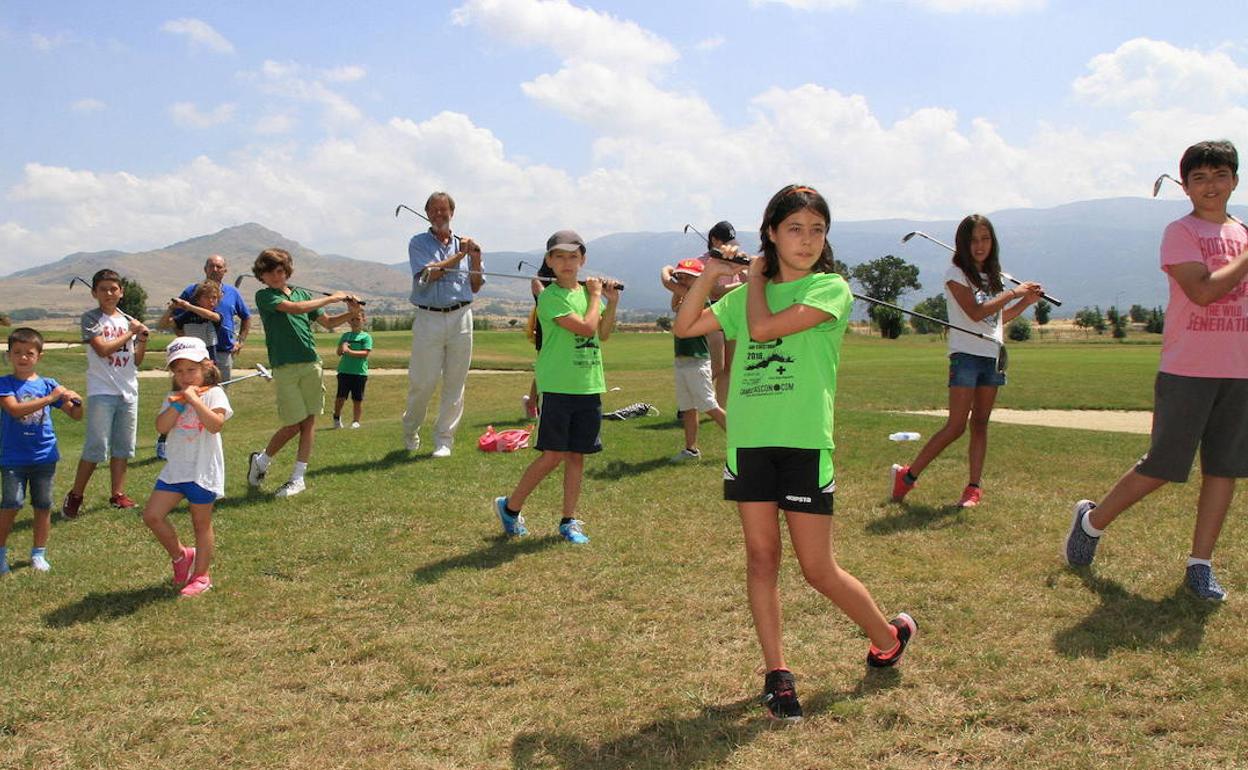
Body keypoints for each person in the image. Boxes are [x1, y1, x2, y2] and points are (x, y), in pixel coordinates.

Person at [673, 185, 916, 724]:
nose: (806, 240)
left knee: (816, 568)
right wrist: (711, 277)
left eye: (817, 229)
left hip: (804, 444)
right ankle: (777, 675)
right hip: (750, 443)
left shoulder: (830, 289)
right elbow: (686, 326)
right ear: (772, 235)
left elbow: (762, 328)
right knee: (762, 559)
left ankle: (888, 636)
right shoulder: (744, 295)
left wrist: (753, 278)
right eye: (794, 229)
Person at [1065, 139, 1248, 602]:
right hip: (1187, 369)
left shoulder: (1241, 232)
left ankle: (1200, 566)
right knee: (1163, 467)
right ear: (1185, 186)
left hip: (1239, 370)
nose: (1211, 185)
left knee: (1224, 468)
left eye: (1220, 175)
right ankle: (1092, 521)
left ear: (1235, 181)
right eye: (1200, 177)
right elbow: (1203, 292)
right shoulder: (1180, 232)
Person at [889, 215, 1043, 508]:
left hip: (992, 355)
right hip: (966, 357)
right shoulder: (955, 275)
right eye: (973, 240)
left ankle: (973, 488)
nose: (980, 245)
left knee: (981, 424)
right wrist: (1014, 293)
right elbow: (975, 312)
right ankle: (908, 476)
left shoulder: (992, 278)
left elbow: (995, 321)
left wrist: (1025, 302)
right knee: (956, 426)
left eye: (985, 239)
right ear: (963, 243)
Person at [493, 230, 619, 545]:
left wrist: (611, 302)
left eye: (573, 256)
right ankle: (510, 508)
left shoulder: (585, 294)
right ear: (549, 261)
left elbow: (601, 333)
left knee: (577, 456)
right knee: (553, 455)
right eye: (559, 256)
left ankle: (569, 521)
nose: (567, 262)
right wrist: (594, 296)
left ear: (583, 260)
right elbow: (586, 326)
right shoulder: (550, 298)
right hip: (559, 387)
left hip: (589, 385)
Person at [245, 248, 360, 498]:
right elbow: (295, 309)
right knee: (293, 424)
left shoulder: (303, 294)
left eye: (279, 271)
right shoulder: (264, 296)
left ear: (287, 271)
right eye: (268, 272)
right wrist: (331, 298)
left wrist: (352, 312)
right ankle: (262, 461)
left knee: (308, 422)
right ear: (261, 276)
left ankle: (298, 478)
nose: (275, 276)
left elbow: (328, 323)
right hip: (285, 367)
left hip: (311, 364)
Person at [140, 337, 232, 597]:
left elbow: (215, 424)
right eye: (179, 371)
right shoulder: (173, 398)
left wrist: (195, 401)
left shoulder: (214, 393)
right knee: (152, 516)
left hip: (202, 470)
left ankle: (201, 576)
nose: (185, 376)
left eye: (191, 370)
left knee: (200, 523)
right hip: (176, 469)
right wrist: (180, 403)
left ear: (206, 367)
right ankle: (181, 556)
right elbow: (161, 427)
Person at [62, 269, 149, 517]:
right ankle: (76, 495)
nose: (109, 293)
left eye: (114, 289)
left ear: (121, 292)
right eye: (103, 289)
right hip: (102, 390)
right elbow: (102, 350)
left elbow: (136, 361)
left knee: (123, 447)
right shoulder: (91, 318)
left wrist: (142, 340)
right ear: (94, 293)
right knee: (96, 446)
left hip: (129, 390)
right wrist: (131, 333)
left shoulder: (128, 320)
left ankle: (118, 494)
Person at [402, 191, 483, 457]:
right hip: (429, 317)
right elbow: (430, 274)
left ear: (452, 213)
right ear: (427, 214)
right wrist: (460, 257)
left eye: (444, 210)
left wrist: (475, 257)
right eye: (434, 210)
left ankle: (444, 440)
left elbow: (475, 285)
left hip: (461, 316)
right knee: (423, 382)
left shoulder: (464, 243)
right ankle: (411, 427)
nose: (439, 215)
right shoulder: (418, 243)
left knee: (455, 382)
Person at [0, 328, 83, 574]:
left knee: (43, 505)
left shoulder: (48, 384)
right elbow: (15, 410)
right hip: (13, 456)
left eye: (29, 353)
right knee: (11, 503)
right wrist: (50, 398)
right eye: (17, 352)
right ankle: (1, 553)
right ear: (9, 356)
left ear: (39, 356)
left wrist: (77, 401)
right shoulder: (5, 384)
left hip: (44, 455)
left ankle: (38, 553)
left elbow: (75, 415)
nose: (23, 357)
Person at [661, 220, 743, 407]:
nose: (730, 245)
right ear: (714, 240)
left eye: (731, 242)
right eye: (726, 241)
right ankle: (691, 404)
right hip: (711, 311)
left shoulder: (733, 260)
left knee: (729, 368)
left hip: (731, 313)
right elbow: (713, 292)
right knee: (716, 366)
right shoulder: (702, 262)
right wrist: (741, 286)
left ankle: (721, 407)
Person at [155, 280, 223, 460]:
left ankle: (201, 436)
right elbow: (162, 325)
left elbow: (213, 317)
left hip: (206, 367)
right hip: (185, 366)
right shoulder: (186, 316)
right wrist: (172, 309)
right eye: (209, 298)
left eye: (216, 298)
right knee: (178, 403)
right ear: (199, 298)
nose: (213, 302)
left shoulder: (212, 315)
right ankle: (164, 440)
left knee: (208, 403)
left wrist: (188, 306)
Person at [666, 258, 725, 461]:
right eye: (681, 277)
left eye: (688, 278)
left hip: (696, 361)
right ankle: (691, 449)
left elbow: (666, 281)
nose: (682, 281)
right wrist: (679, 281)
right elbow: (674, 303)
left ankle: (746, 443)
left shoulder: (700, 299)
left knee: (710, 405)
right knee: (688, 408)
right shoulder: (685, 298)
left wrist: (669, 273)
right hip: (683, 361)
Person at [176, 255, 252, 382]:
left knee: (220, 393)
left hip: (223, 352)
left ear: (225, 270)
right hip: (196, 353)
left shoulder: (232, 292)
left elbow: (246, 317)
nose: (215, 269)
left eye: (219, 267)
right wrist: (183, 338)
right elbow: (175, 318)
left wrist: (240, 341)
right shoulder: (191, 291)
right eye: (211, 266)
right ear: (205, 269)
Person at [522, 261, 557, 419]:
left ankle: (537, 403)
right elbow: (546, 300)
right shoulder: (537, 280)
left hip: (562, 328)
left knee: (556, 365)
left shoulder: (562, 281)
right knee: (544, 366)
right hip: (545, 328)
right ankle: (531, 403)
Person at [333, 307, 372, 429]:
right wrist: (342, 346)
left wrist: (349, 351)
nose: (355, 321)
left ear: (363, 320)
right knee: (341, 397)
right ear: (349, 321)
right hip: (344, 371)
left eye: (358, 319)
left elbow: (365, 354)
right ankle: (337, 418)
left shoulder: (366, 337)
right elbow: (339, 352)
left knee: (357, 398)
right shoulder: (345, 336)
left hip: (359, 372)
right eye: (353, 319)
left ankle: (356, 421)